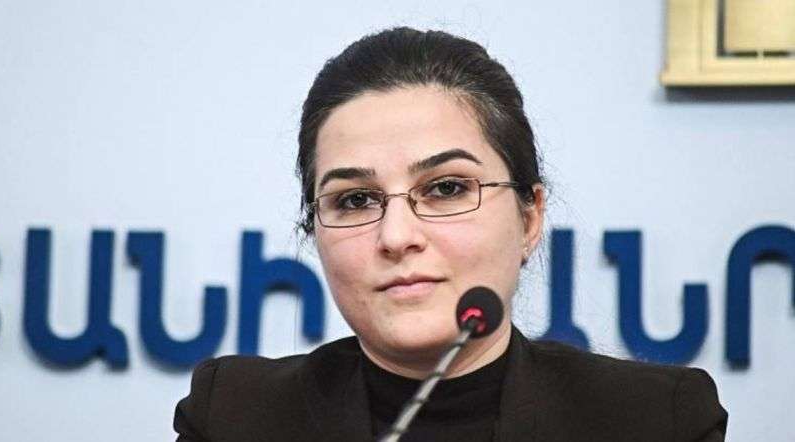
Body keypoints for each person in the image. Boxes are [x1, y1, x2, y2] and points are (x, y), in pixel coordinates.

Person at [174, 27, 728, 441]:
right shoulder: (233, 417)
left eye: (445, 189)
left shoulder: (656, 421)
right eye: (355, 200)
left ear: (529, 217)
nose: (396, 236)